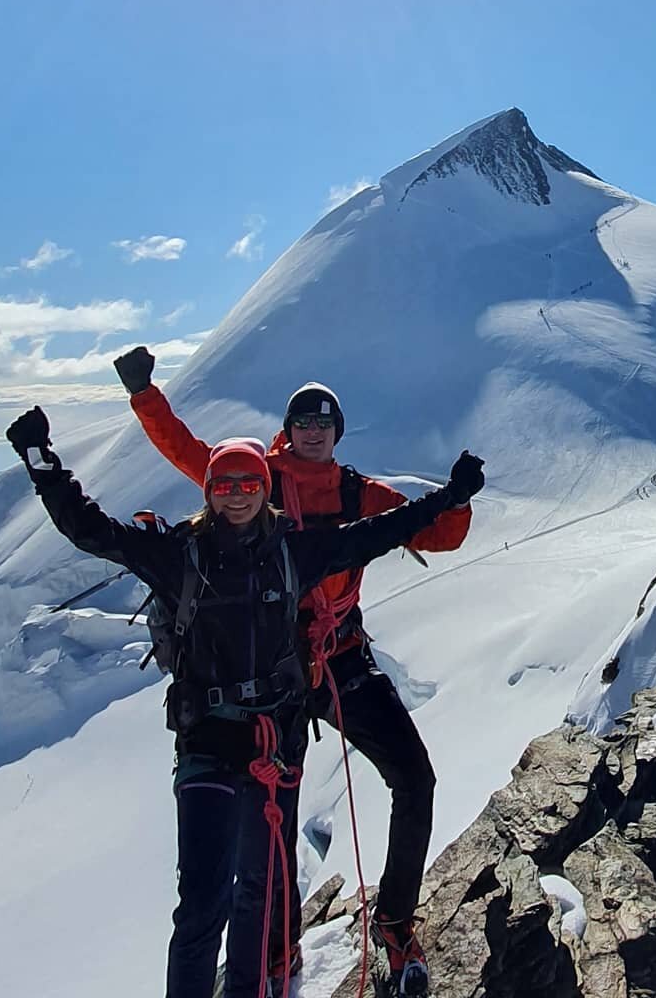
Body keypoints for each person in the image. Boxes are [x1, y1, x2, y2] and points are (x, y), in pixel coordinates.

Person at [5, 404, 484, 998]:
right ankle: (271, 965)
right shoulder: (184, 553)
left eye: (248, 482)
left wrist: (449, 499)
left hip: (282, 718)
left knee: (256, 880)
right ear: (210, 490)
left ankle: (277, 968)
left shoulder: (299, 542)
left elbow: (379, 534)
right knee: (212, 897)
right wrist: (45, 466)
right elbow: (91, 529)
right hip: (218, 736)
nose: (237, 493)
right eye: (225, 484)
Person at [112, 347, 471, 996]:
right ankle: (279, 957)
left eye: (323, 423)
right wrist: (144, 395)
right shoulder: (258, 477)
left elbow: (436, 533)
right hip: (277, 678)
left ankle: (385, 926)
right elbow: (190, 452)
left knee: (412, 779)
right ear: (289, 428)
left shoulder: (360, 494)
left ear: (337, 432)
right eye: (303, 422)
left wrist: (459, 500)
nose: (312, 431)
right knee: (271, 826)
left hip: (335, 658)